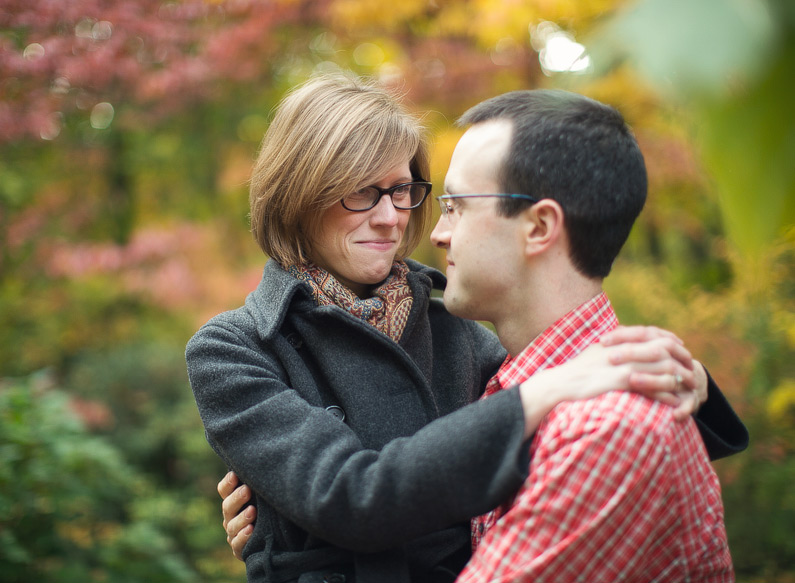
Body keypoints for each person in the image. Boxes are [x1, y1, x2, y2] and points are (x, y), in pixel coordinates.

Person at [188, 75, 746, 583]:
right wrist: (279, 543)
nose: (391, 217)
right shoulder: (234, 349)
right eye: (361, 192)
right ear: (298, 194)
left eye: (403, 190)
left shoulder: (459, 327)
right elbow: (355, 497)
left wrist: (680, 375)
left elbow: (595, 440)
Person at [424, 90, 734, 581]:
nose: (440, 233)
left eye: (457, 205)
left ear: (540, 226)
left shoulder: (609, 428)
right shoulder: (503, 381)